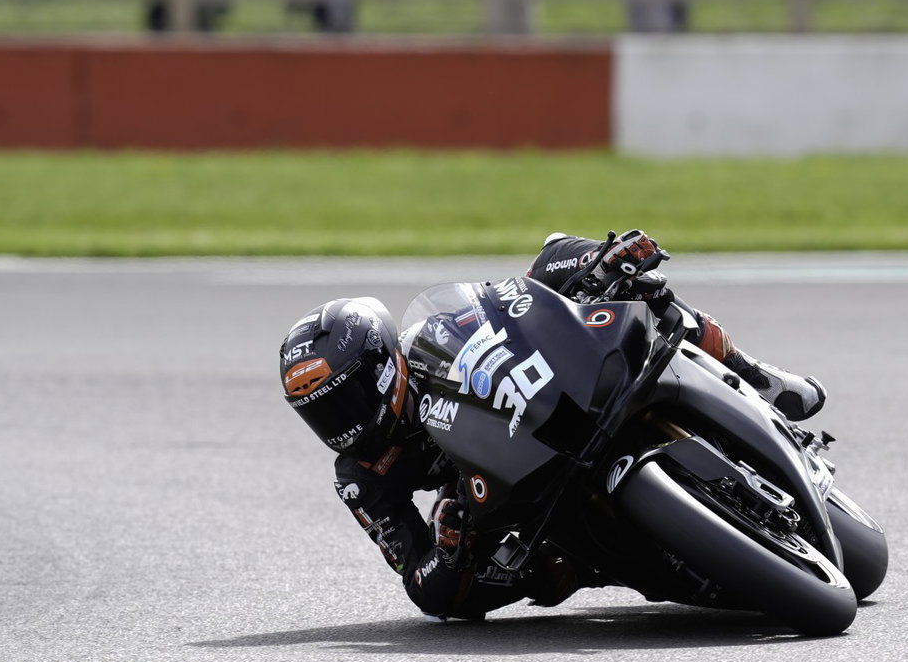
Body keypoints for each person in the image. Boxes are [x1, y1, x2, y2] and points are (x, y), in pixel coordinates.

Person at [277, 229, 827, 623]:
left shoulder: (440, 335)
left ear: (381, 365)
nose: (340, 424)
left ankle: (756, 374)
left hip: (550, 396)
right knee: (520, 583)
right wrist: (449, 547)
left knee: (586, 268)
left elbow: (518, 294)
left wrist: (600, 262)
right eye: (320, 415)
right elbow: (423, 587)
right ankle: (644, 556)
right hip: (503, 497)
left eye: (344, 400)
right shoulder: (362, 476)